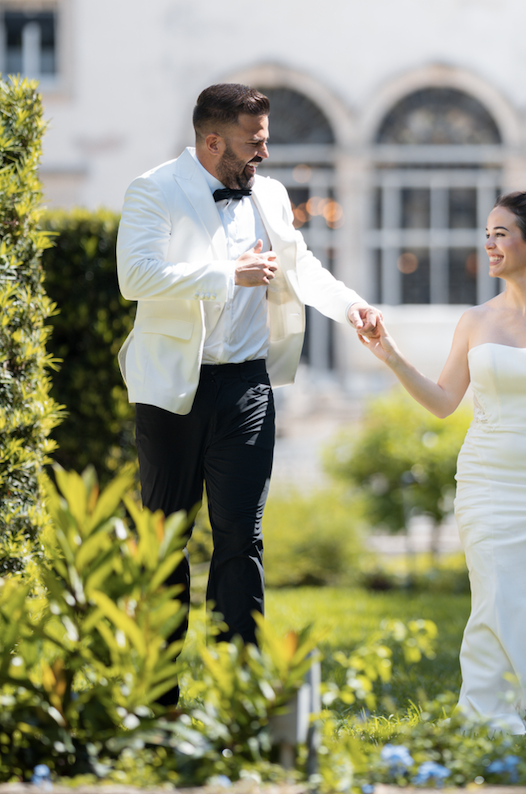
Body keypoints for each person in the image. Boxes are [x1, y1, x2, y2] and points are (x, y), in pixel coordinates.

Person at [116, 82, 381, 699]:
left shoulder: (272, 194)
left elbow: (302, 266)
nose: (263, 153)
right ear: (212, 141)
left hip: (246, 386)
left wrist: (353, 308)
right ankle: (158, 700)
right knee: (164, 537)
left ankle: (241, 695)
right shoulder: (154, 189)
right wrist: (225, 274)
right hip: (172, 392)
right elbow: (135, 276)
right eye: (252, 142)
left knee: (243, 536)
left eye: (265, 139)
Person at [357, 188, 526, 732]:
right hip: (488, 481)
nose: (488, 244)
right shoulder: (474, 321)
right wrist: (389, 356)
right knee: (497, 594)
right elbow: (442, 402)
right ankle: (494, 706)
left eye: (500, 233)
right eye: (486, 234)